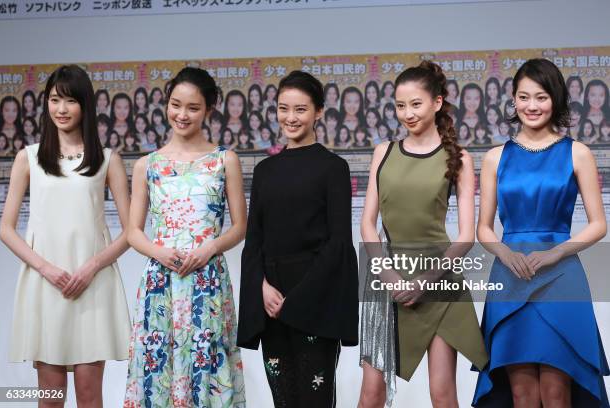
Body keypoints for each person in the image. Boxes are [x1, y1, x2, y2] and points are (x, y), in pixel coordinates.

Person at [473, 58, 609, 408]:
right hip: (511, 275)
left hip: (561, 275)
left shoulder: (577, 152)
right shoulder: (494, 157)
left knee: (556, 392)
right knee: (521, 394)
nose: (532, 105)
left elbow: (598, 224)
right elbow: (484, 229)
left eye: (542, 97)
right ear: (513, 100)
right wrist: (504, 253)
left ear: (556, 99)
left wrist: (555, 253)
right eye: (524, 97)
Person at [358, 61, 487, 408]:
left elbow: (466, 236)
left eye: (415, 104)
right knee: (370, 394)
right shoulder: (383, 152)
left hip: (440, 280)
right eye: (400, 105)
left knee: (442, 393)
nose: (407, 113)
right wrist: (388, 276)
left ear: (437, 103)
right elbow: (368, 223)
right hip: (386, 279)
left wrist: (424, 281)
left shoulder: (458, 158)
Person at [0, 64, 131, 408]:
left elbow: (131, 232)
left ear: (86, 106)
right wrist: (45, 269)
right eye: (54, 100)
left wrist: (92, 267)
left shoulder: (106, 160)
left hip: (93, 285)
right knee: (50, 397)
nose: (61, 109)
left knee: (90, 396)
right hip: (46, 286)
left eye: (70, 101)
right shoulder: (28, 158)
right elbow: (5, 229)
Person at [124, 67, 247, 407]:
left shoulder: (225, 160)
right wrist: (159, 253)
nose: (182, 114)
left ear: (209, 110)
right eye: (175, 105)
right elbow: (133, 231)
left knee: (206, 368)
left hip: (206, 279)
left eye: (193, 108)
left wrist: (210, 248)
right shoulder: (147, 165)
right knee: (158, 367)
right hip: (161, 281)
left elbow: (240, 226)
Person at [237, 70, 358, 408]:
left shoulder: (333, 167)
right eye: (283, 109)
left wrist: (299, 298)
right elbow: (254, 240)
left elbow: (338, 243)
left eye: (301, 109)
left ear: (319, 111)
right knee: (284, 400)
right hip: (271, 302)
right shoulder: (265, 171)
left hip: (316, 301)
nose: (290, 118)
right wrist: (261, 287)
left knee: (315, 399)